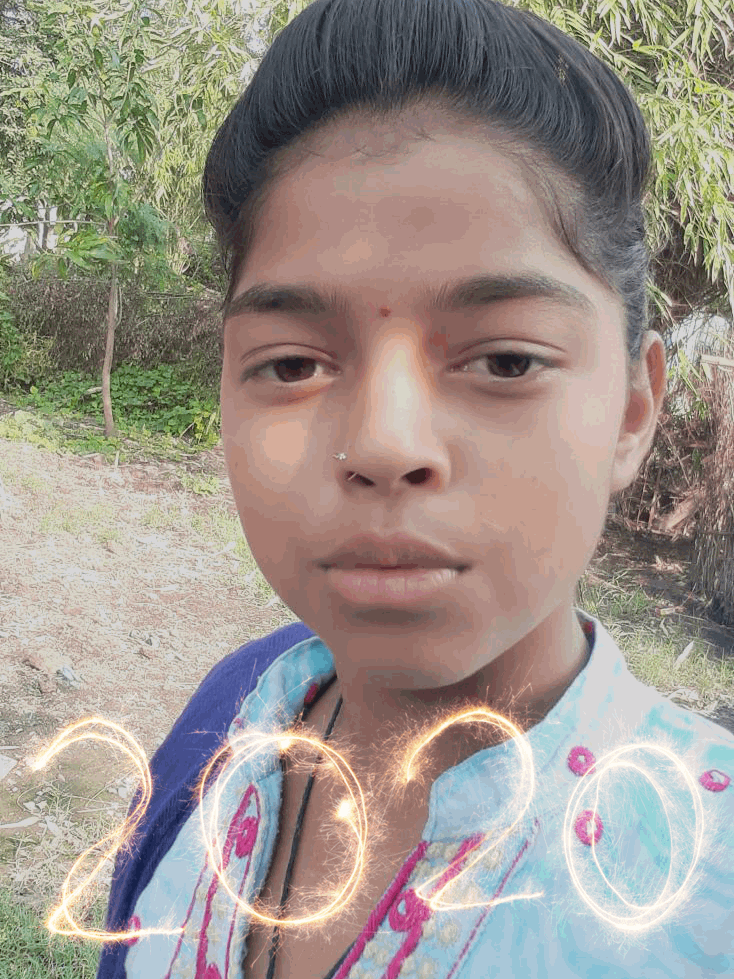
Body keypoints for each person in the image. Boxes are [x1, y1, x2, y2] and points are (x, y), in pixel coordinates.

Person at [96, 1, 734, 976]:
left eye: (507, 360)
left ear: (632, 410)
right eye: (293, 363)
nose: (382, 445)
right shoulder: (225, 720)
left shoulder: (705, 892)